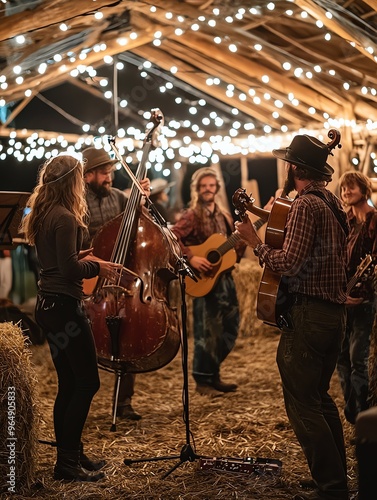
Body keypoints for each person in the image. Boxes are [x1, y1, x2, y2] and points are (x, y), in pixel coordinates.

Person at [235, 134, 349, 500]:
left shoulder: (305, 206)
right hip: (334, 315)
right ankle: (335, 478)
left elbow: (289, 262)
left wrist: (254, 241)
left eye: (288, 162)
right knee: (320, 396)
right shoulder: (332, 202)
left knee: (302, 401)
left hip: (310, 314)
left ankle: (331, 487)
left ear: (296, 168)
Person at [20, 154, 123, 481]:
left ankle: (72, 454)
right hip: (64, 307)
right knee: (87, 382)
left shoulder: (44, 213)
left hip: (48, 305)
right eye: (79, 177)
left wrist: (79, 257)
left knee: (68, 382)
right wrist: (98, 266)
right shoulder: (64, 216)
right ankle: (66, 463)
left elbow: (56, 261)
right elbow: (68, 270)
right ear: (71, 182)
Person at [82, 146, 150, 420]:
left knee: (127, 332)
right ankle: (83, 401)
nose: (109, 178)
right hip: (89, 278)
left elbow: (136, 223)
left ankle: (123, 403)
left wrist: (140, 200)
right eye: (103, 174)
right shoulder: (78, 201)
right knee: (86, 341)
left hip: (119, 279)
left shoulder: (120, 198)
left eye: (110, 173)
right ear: (88, 175)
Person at [171, 167, 246, 397]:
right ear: (196, 189)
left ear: (217, 188)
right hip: (204, 282)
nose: (207, 189)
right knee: (207, 332)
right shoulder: (191, 215)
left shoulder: (224, 215)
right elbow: (172, 236)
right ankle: (203, 380)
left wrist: (241, 244)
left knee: (230, 328)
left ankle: (214, 374)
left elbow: (233, 250)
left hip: (225, 279)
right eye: (203, 186)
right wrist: (192, 257)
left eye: (211, 186)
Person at [336, 171, 377, 424]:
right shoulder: (345, 220)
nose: (346, 192)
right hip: (342, 298)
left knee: (356, 358)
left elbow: (375, 262)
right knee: (340, 357)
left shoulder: (374, 220)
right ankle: (351, 411)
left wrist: (360, 294)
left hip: (363, 301)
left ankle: (360, 414)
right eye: (343, 189)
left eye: (351, 187)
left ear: (363, 189)